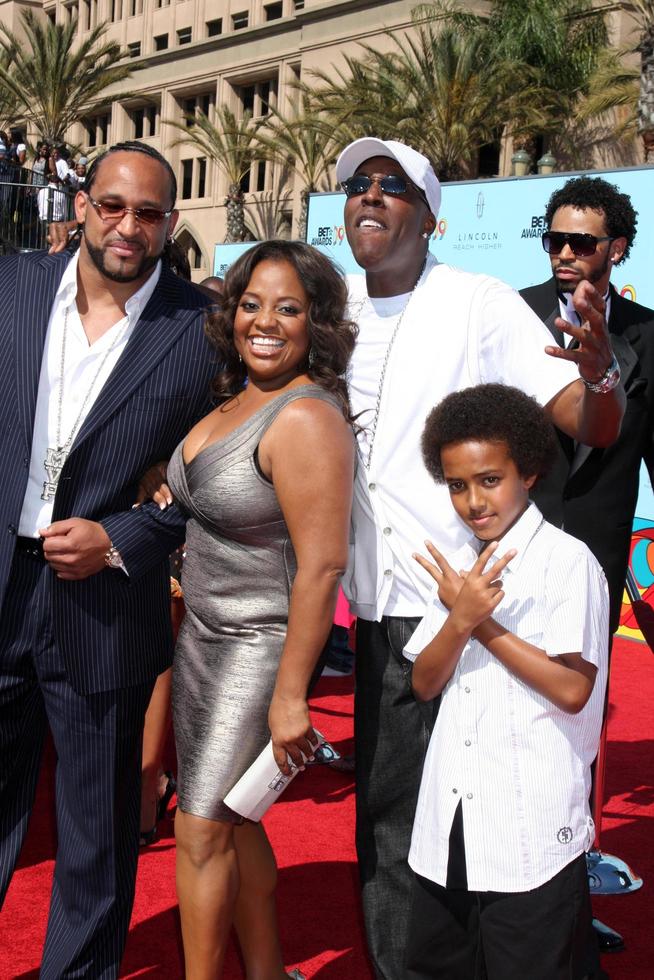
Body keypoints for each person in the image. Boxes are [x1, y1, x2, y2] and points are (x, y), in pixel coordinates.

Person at [334, 136, 625, 980]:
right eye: (359, 183)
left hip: (475, 601)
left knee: (507, 808)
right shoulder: (330, 310)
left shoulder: (479, 301)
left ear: (431, 217)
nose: (372, 197)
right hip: (381, 611)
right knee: (396, 829)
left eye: (394, 186)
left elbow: (586, 421)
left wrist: (601, 376)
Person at [0, 140, 215, 978]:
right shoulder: (11, 287)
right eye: (115, 206)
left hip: (103, 600)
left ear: (169, 224)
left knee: (95, 832)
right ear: (82, 204)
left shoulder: (199, 329)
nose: (130, 227)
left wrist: (124, 537)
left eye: (151, 214)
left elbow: (215, 479)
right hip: (3, 586)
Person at [153, 240, 356, 979]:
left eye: (289, 308)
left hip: (259, 647)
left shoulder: (304, 417)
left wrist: (292, 696)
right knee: (234, 825)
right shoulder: (235, 396)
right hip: (204, 639)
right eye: (251, 303)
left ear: (317, 323)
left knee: (200, 831)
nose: (265, 321)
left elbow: (322, 564)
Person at [402, 383, 608, 980]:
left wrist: (477, 624)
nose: (472, 501)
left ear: (530, 473)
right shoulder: (458, 563)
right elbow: (423, 682)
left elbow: (573, 689)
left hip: (530, 826)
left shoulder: (568, 562)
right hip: (450, 821)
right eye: (457, 485)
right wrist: (458, 620)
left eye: (489, 479)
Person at [521, 174, 654, 964]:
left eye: (583, 242)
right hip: (502, 553)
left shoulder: (649, 334)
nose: (566, 255)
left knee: (576, 736)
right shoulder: (508, 311)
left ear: (617, 248)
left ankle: (565, 895)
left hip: (594, 566)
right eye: (556, 239)